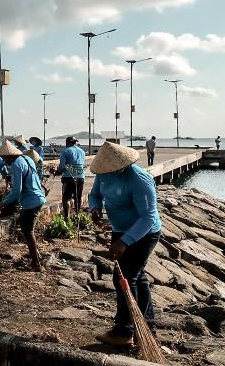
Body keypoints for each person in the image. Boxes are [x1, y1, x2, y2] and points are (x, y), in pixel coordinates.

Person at [89, 142, 162, 347]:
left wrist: (124, 242)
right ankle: (146, 328)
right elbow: (94, 195)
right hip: (120, 229)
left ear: (123, 165)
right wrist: (95, 208)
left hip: (144, 233)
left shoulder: (139, 180)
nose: (110, 172)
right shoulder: (103, 174)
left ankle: (125, 331)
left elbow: (148, 217)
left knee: (124, 279)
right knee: (138, 279)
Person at [0, 141, 46, 272]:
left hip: (32, 200)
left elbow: (17, 190)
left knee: (28, 231)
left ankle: (36, 263)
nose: (3, 160)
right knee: (26, 228)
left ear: (9, 156)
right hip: (37, 197)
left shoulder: (17, 164)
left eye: (4, 157)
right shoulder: (26, 159)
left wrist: (4, 202)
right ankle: (36, 255)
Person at [55, 136, 86, 219]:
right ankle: (77, 215)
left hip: (69, 178)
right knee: (78, 198)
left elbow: (62, 167)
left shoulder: (65, 151)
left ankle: (66, 217)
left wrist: (57, 172)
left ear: (67, 142)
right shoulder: (82, 151)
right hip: (80, 177)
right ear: (75, 142)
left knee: (66, 199)